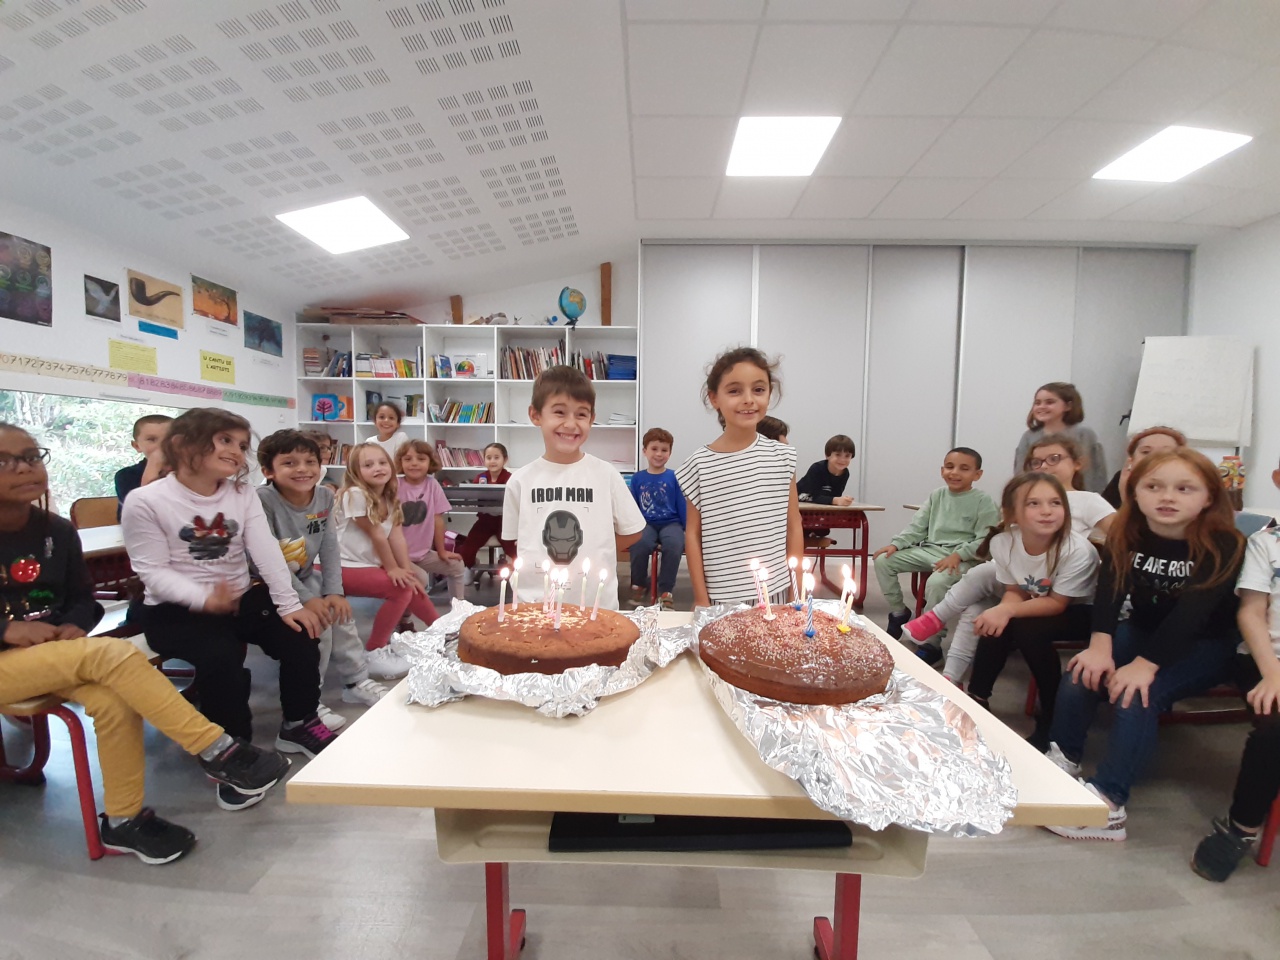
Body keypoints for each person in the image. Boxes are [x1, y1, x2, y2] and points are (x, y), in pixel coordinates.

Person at [0, 423, 289, 863]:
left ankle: (122, 819)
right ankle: (218, 749)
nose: (24, 468)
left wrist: (74, 624)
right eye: (4, 461)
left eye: (31, 456)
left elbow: (83, 600)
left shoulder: (55, 530)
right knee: (113, 655)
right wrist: (5, 630)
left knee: (114, 699)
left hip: (51, 656)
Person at [120, 408, 335, 805]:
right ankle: (234, 756)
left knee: (302, 636)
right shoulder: (145, 500)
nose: (236, 451)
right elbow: (152, 571)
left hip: (240, 597)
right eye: (225, 440)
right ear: (183, 444)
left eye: (241, 444)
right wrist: (203, 598)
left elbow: (266, 551)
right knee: (221, 663)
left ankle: (298, 722)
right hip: (175, 609)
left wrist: (289, 605)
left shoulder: (240, 494)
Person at [1044, 448, 1246, 842]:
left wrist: (1145, 665)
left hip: (1206, 644)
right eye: (1153, 487)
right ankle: (1062, 760)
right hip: (1143, 630)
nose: (1167, 497)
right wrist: (1100, 645)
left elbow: (1193, 615)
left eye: (1184, 488)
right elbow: (1111, 590)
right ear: (1135, 492)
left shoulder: (1225, 543)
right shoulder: (1127, 531)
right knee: (1082, 671)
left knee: (1135, 694)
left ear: (1209, 497)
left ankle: (1109, 806)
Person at [905, 435, 1114, 680]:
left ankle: (938, 625)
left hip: (1056, 582)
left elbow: (1122, 534)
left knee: (980, 591)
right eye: (1036, 462)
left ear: (1077, 463)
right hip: (1020, 576)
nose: (1044, 466)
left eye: (1054, 458)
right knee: (978, 596)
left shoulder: (1088, 501)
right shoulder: (1017, 507)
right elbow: (1007, 547)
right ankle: (951, 677)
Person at [256, 430, 391, 732]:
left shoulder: (325, 496)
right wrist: (308, 599)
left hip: (306, 576)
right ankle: (309, 699)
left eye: (310, 462)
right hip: (269, 584)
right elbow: (268, 562)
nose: (302, 469)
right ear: (268, 471)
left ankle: (355, 681)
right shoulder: (262, 501)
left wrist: (334, 592)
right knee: (319, 629)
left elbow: (329, 547)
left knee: (342, 617)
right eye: (289, 463)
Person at [1190, 456, 1280, 881]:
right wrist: (1273, 673)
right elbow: (1251, 613)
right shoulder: (1266, 543)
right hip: (1264, 659)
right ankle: (1242, 827)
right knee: (1275, 728)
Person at [502, 366, 646, 610]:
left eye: (581, 414)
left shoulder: (606, 475)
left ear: (591, 418)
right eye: (559, 412)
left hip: (595, 608)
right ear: (535, 415)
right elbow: (513, 540)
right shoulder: (520, 481)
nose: (571, 424)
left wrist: (597, 548)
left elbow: (633, 530)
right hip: (535, 608)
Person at [676, 347, 802, 608]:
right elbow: (693, 536)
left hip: (776, 591)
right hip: (722, 597)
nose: (748, 400)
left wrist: (796, 590)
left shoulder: (783, 457)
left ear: (769, 393)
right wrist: (700, 598)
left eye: (758, 389)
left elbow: (793, 525)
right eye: (734, 391)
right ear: (714, 398)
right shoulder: (699, 464)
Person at [872, 447, 999, 639]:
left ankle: (932, 642)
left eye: (964, 468)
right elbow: (917, 526)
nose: (954, 472)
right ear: (942, 470)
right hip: (930, 551)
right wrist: (897, 544)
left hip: (963, 559)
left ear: (977, 475)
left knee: (936, 583)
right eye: (950, 467)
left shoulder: (984, 501)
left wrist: (958, 555)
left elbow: (985, 540)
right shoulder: (936, 495)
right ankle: (899, 612)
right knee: (883, 560)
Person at [334, 442, 438, 659]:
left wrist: (406, 569)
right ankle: (375, 649)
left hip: (364, 564)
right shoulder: (354, 494)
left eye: (382, 463)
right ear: (355, 472)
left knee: (410, 581)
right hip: (341, 565)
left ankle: (442, 630)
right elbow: (377, 535)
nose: (377, 468)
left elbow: (396, 538)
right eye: (368, 465)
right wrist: (392, 569)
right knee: (401, 588)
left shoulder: (390, 498)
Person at [396, 439, 466, 602]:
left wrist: (441, 551)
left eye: (421, 459)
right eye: (408, 459)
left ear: (430, 462)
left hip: (423, 554)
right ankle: (404, 615)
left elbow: (438, 520)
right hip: (398, 556)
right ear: (400, 462)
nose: (414, 463)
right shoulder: (395, 485)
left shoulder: (432, 484)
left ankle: (459, 610)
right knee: (420, 578)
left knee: (456, 566)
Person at [1012, 383, 1108, 492]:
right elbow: (1021, 473)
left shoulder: (1084, 434)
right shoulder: (1028, 437)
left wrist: (1090, 497)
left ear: (1068, 406)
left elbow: (1094, 473)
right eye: (1037, 403)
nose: (1041, 407)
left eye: (1049, 402)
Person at [628, 427, 685, 610]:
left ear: (670, 453)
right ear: (645, 451)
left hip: (671, 523)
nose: (659, 454)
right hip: (646, 523)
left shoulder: (674, 477)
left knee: (674, 545)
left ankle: (665, 590)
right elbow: (633, 505)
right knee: (639, 543)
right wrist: (631, 527)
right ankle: (639, 584)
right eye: (654, 449)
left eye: (664, 450)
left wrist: (686, 528)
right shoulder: (637, 478)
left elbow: (681, 503)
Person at [456, 442, 516, 574]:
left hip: (504, 522)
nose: (492, 461)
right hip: (484, 521)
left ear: (505, 459)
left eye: (496, 457)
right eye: (489, 458)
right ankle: (468, 568)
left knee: (512, 548)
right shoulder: (480, 478)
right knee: (468, 548)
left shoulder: (510, 479)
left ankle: (519, 572)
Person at [1100, 425, 1185, 508]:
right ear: (1131, 460)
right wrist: (1125, 495)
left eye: (1165, 453)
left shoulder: (1185, 484)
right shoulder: (1121, 479)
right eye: (1146, 452)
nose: (1153, 457)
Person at [114, 414, 172, 519]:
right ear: (137, 446)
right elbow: (141, 511)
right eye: (152, 439)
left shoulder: (188, 472)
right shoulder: (126, 475)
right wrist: (154, 463)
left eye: (169, 438)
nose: (162, 445)